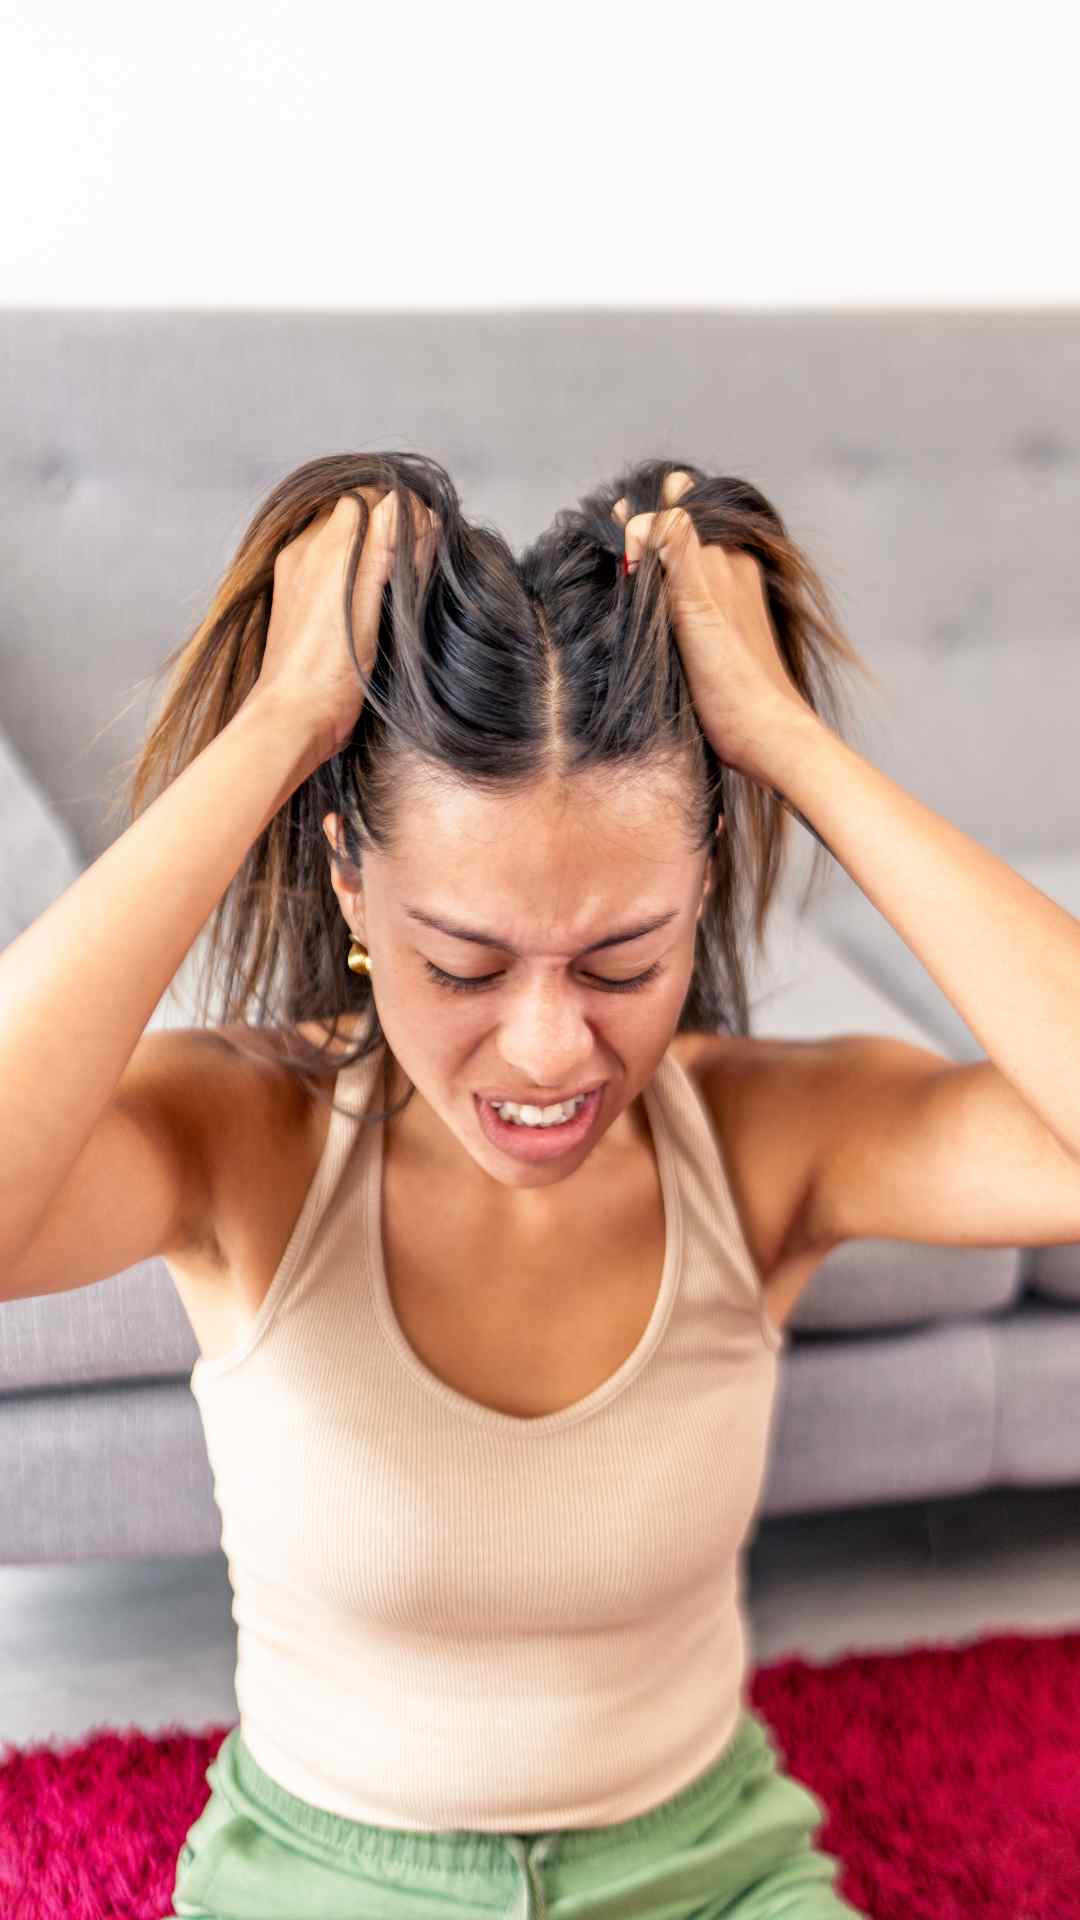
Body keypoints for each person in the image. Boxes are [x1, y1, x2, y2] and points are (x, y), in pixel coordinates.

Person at [0, 453, 875, 1917]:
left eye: (622, 962)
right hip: (328, 1878)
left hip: (712, 1874)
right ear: (350, 885)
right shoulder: (250, 1138)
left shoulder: (764, 1139)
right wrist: (282, 724)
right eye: (465, 964)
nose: (548, 1047)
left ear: (705, 886)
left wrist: (785, 741)